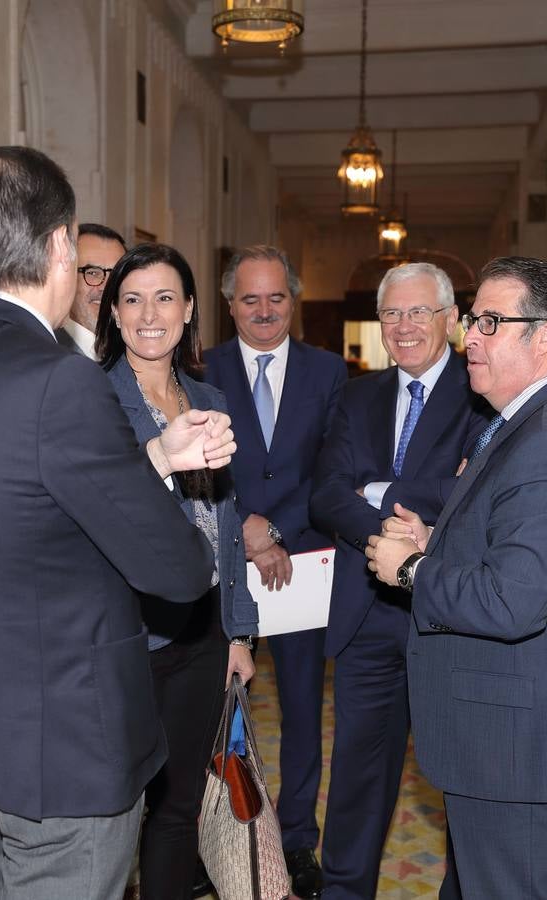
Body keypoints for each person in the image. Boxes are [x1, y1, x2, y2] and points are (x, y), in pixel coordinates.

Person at [0, 146, 236, 900]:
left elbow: (23, 510)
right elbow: (177, 570)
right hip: (71, 748)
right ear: (57, 247)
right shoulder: (60, 380)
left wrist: (151, 460)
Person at [365, 257, 547, 899]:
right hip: (513, 732)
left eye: (490, 320)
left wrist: (411, 567)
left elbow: (512, 601)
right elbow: (522, 550)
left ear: (544, 336)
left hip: (521, 743)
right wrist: (444, 540)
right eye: (473, 319)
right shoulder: (538, 419)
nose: (470, 336)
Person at [309, 262, 489, 899]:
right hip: (367, 614)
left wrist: (379, 490)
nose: (404, 326)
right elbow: (326, 495)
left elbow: (471, 491)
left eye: (419, 312)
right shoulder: (357, 396)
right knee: (358, 772)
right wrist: (387, 528)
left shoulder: (480, 391)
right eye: (392, 313)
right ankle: (344, 892)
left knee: (463, 776)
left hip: (448, 613)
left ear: (449, 319)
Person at [95, 242, 260, 899]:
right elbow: (99, 514)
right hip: (127, 638)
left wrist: (240, 632)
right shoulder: (91, 399)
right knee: (116, 810)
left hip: (202, 637)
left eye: (165, 297)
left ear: (190, 309)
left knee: (178, 808)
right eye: (132, 299)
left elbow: (228, 522)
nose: (149, 314)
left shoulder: (208, 395)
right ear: (112, 311)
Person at [202, 245, 345, 898]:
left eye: (276, 297)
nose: (264, 310)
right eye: (249, 299)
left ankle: (296, 839)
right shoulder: (200, 367)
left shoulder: (329, 372)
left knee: (299, 708)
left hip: (301, 564)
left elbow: (333, 468)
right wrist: (245, 528)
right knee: (214, 705)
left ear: (295, 299)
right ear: (230, 304)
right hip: (220, 564)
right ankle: (214, 837)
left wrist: (275, 527)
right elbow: (198, 466)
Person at [59, 223, 126, 358]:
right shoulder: (47, 355)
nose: (107, 287)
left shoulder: (136, 353)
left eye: (116, 275)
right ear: (66, 278)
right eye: (93, 273)